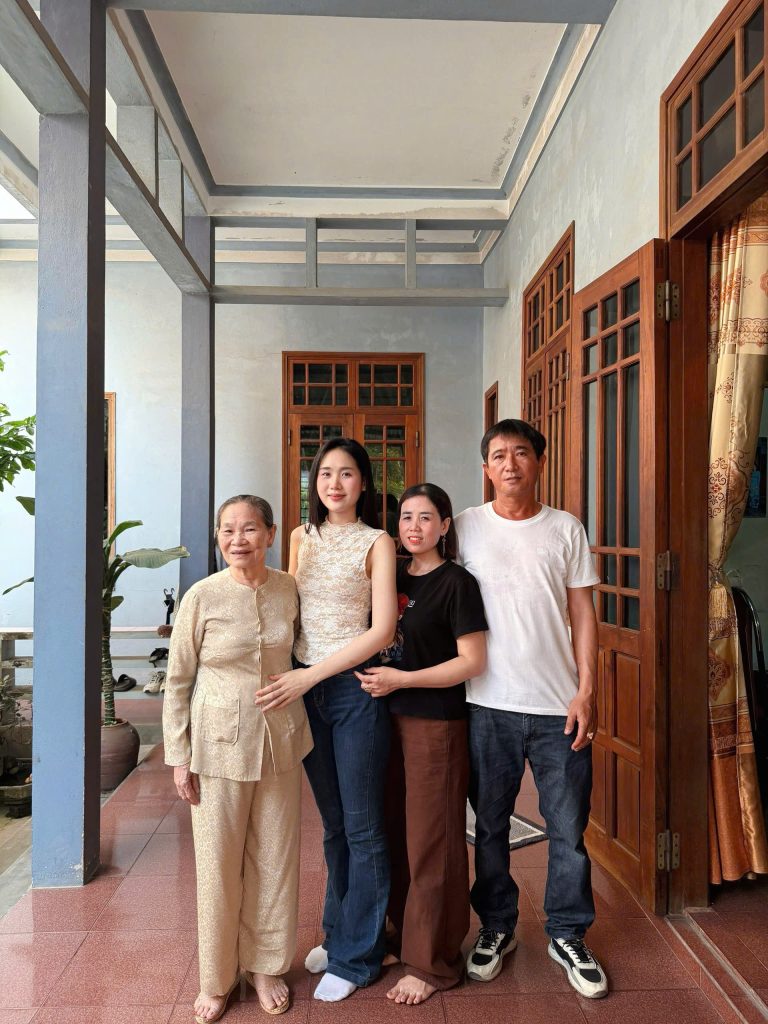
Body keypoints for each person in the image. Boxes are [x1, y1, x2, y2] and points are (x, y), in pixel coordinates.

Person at [455, 419, 608, 999]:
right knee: (489, 827)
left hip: (556, 706)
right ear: (486, 468)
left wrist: (587, 690)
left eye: (521, 453)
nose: (510, 464)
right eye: (498, 455)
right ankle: (497, 926)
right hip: (484, 704)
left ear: (540, 462)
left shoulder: (565, 528)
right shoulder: (464, 527)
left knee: (568, 829)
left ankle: (567, 933)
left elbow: (583, 614)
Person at [254, 438, 397, 1003]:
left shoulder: (378, 542)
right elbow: (289, 612)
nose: (335, 484)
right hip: (303, 691)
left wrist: (309, 676)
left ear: (364, 482)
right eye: (325, 474)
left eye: (347, 473)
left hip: (353, 691)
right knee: (334, 825)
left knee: (363, 828)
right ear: (314, 483)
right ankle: (339, 932)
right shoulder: (299, 537)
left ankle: (358, 957)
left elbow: (381, 631)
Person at [163, 495, 314, 1024]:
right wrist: (179, 756)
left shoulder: (288, 588)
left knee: (276, 860)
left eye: (249, 529)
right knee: (218, 866)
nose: (237, 540)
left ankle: (266, 967)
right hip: (216, 746)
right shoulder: (202, 596)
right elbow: (178, 681)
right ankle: (217, 978)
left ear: (270, 534)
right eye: (227, 530)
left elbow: (307, 650)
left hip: (280, 740)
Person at [356, 483, 488, 1005]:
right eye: (406, 517)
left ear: (445, 526)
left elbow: (472, 662)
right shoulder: (389, 575)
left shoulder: (457, 582)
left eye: (426, 517)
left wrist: (403, 680)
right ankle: (398, 936)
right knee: (393, 832)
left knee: (434, 840)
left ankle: (432, 961)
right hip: (383, 720)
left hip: (436, 723)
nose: (414, 527)